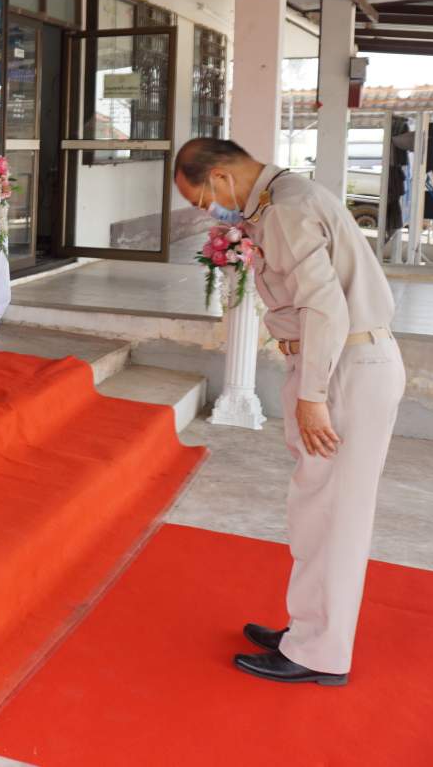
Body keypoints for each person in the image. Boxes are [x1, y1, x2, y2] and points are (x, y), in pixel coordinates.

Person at [173, 137, 404, 686]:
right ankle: (307, 631)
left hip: (343, 367)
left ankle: (319, 653)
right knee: (316, 507)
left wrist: (313, 396)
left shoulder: (286, 210)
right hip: (345, 361)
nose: (209, 211)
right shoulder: (285, 199)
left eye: (202, 200)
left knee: (333, 514)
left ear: (221, 177)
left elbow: (324, 307)